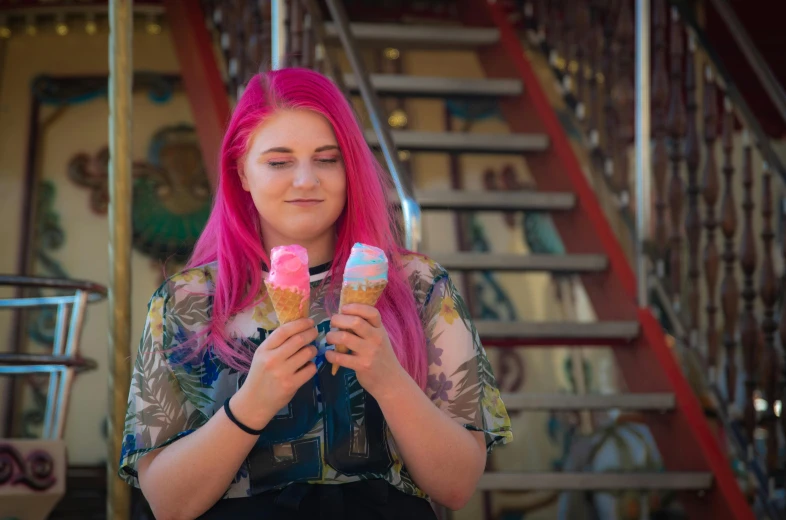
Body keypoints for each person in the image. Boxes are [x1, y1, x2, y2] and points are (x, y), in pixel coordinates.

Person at [118, 68, 512, 520]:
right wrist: (252, 403)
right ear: (241, 172)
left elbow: (457, 486)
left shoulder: (421, 286)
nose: (306, 180)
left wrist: (388, 379)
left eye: (327, 159)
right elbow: (167, 503)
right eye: (279, 162)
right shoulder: (187, 301)